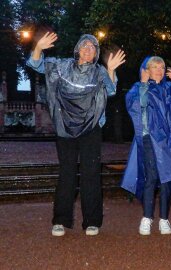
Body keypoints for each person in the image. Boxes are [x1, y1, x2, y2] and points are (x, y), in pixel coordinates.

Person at [27, 32, 126, 237]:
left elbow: (110, 91)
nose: (88, 49)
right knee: (67, 174)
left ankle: (92, 221)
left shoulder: (99, 71)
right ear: (77, 49)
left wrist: (111, 70)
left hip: (91, 128)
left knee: (91, 174)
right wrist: (38, 47)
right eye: (85, 45)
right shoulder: (62, 66)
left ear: (96, 53)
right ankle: (60, 220)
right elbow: (36, 64)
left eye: (93, 47)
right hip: (65, 128)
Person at [121, 56, 171, 235]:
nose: (159, 70)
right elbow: (140, 105)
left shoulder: (169, 88)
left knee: (169, 177)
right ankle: (147, 217)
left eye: (162, 67)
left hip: (170, 139)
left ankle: (164, 218)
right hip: (149, 139)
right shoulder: (138, 88)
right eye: (155, 67)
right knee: (151, 176)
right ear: (147, 70)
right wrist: (144, 84)